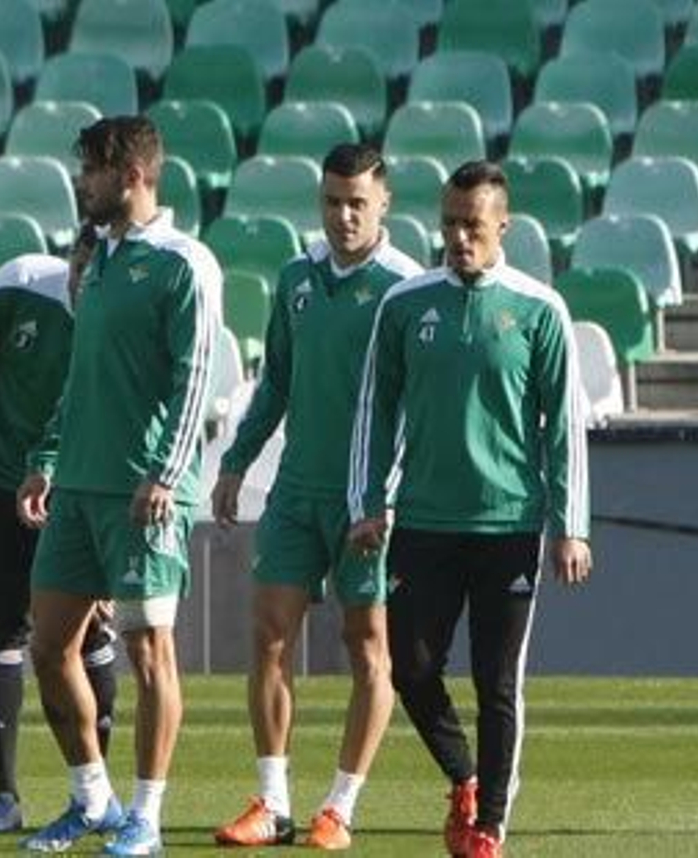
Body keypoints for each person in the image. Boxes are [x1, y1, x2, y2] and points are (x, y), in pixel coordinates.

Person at [347, 160, 591, 858]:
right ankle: (466, 776)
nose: (458, 237)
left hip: (508, 524)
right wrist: (368, 503)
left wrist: (570, 526)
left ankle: (490, 827)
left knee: (496, 680)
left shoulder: (540, 309)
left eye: (472, 226)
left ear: (502, 226)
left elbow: (564, 426)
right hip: (422, 521)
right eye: (450, 223)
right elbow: (375, 408)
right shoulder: (405, 304)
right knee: (412, 668)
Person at [15, 115, 221, 856]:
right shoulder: (97, 261)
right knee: (48, 646)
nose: (81, 183)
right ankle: (92, 799)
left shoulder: (182, 262)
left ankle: (148, 816)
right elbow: (86, 376)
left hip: (145, 492)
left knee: (147, 652)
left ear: (131, 174)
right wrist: (47, 455)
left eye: (92, 171)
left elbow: (196, 376)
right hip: (79, 486)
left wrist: (167, 473)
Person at [211, 143, 424, 850]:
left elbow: (418, 404)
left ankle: (341, 806)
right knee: (268, 638)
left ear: (383, 203)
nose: (343, 216)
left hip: (367, 496)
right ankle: (272, 803)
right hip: (297, 489)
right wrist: (237, 461)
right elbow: (276, 378)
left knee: (367, 648)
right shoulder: (297, 276)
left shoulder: (405, 287)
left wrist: (388, 494)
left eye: (357, 202)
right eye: (333, 202)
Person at [0, 251, 119, 834]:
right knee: (1, 629)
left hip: (78, 485)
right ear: (74, 259)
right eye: (85, 264)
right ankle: (4, 797)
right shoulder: (17, 282)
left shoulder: (123, 309)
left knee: (89, 631)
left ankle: (94, 793)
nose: (91, 277)